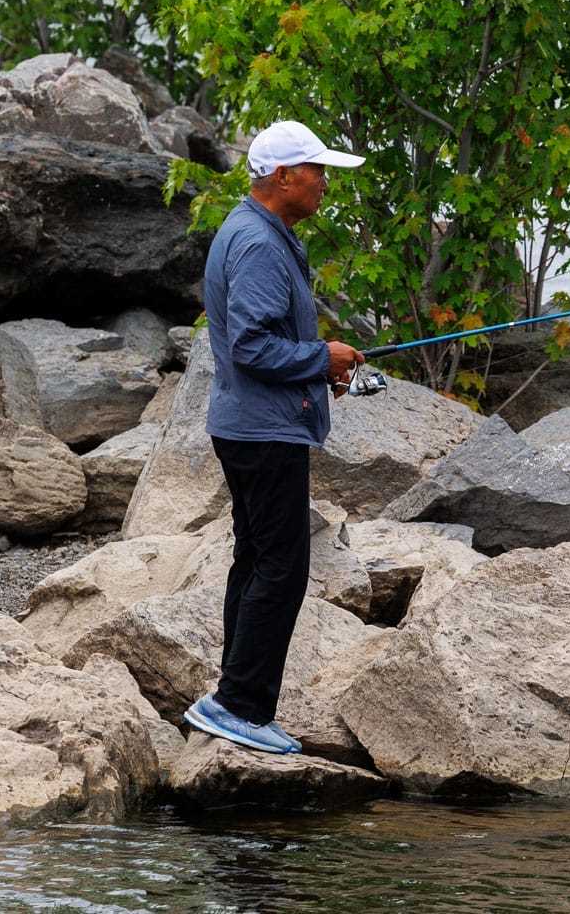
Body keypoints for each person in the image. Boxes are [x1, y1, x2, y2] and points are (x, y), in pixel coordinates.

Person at [183, 119, 365, 754]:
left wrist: (322, 370)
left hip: (250, 424)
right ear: (283, 177)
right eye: (316, 172)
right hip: (262, 434)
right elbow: (252, 345)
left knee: (256, 558)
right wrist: (320, 358)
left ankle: (233, 695)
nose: (323, 183)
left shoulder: (258, 229)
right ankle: (238, 705)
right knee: (282, 568)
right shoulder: (259, 244)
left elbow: (261, 345)